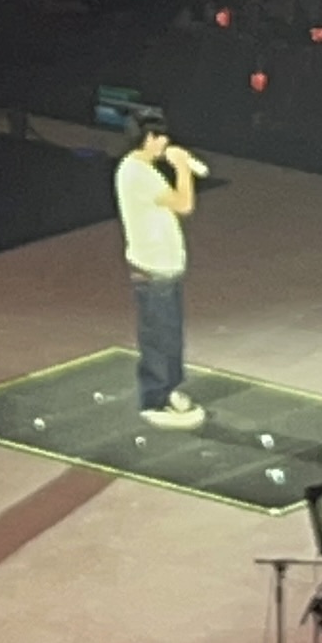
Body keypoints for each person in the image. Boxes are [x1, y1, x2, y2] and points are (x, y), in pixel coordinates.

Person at [114, 110, 205, 427]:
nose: (166, 142)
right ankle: (153, 400)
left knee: (171, 334)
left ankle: (170, 389)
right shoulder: (137, 173)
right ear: (149, 138)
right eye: (161, 136)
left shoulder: (143, 170)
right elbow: (184, 204)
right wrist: (182, 167)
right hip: (153, 268)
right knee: (158, 336)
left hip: (166, 266)